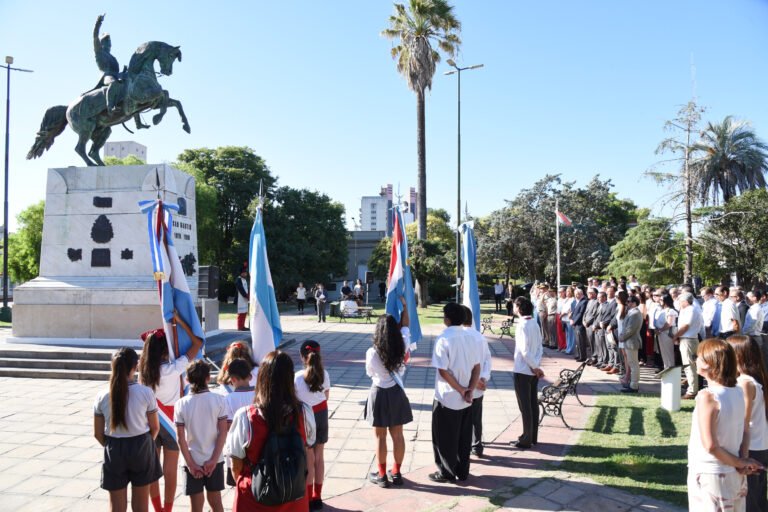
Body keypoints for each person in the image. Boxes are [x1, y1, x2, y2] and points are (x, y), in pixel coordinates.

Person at [225, 350, 315, 512]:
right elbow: (308, 452)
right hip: (293, 498)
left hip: (254, 498)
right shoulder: (304, 412)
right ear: (290, 379)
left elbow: (236, 465)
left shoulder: (246, 416)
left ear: (262, 378)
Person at [687, 338, 763, 511]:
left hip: (711, 473)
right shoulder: (738, 391)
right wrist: (742, 461)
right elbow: (745, 430)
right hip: (734, 473)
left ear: (709, 363)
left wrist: (740, 462)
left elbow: (711, 446)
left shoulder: (708, 396)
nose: (695, 360)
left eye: (698, 357)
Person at [138, 314, 203, 512]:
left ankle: (157, 508)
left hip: (150, 424)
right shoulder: (175, 367)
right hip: (171, 423)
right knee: (170, 469)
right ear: (166, 349)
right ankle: (167, 509)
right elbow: (197, 343)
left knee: (152, 469)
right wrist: (179, 321)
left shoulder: (143, 374)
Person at [94, 348, 162, 512]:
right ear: (135, 366)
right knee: (141, 506)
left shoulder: (102, 396)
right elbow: (155, 427)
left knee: (116, 507)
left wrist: (112, 444)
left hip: (114, 447)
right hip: (141, 445)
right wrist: (145, 443)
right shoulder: (146, 392)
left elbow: (97, 433)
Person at [429, 303, 482, 483]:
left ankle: (447, 471)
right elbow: (477, 367)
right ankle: (462, 470)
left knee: (444, 436)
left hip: (448, 396)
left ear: (447, 319)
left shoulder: (444, 338)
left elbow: (443, 371)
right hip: (466, 397)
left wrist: (461, 389)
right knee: (464, 437)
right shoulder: (471, 338)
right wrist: (470, 390)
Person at [365, 306, 413, 487]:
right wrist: (405, 307)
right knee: (398, 436)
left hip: (378, 392)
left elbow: (370, 373)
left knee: (380, 437)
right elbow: (406, 326)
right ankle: (397, 473)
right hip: (396, 392)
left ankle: (382, 475)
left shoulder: (372, 352)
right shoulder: (403, 345)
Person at [174, 361, 228, 512]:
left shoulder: (180, 404)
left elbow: (180, 438)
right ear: (208, 378)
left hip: (191, 459)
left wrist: (191, 464)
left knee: (196, 506)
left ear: (187, 379)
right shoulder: (219, 400)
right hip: (215, 458)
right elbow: (223, 432)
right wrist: (213, 460)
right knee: (216, 502)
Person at [727, 335, 768, 512]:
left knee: (750, 500)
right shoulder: (755, 380)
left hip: (751, 446)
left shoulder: (744, 382)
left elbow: (743, 420)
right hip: (759, 444)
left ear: (738, 355)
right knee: (757, 497)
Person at [294, 341, 331, 509]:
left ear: (303, 357)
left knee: (308, 457)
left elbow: (293, 399)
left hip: (305, 416)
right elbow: (326, 396)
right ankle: (318, 495)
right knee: (319, 456)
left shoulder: (297, 377)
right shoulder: (325, 374)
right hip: (321, 413)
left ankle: (308, 497)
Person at [511, 297, 545, 449]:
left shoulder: (522, 325)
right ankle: (532, 436)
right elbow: (539, 347)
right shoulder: (534, 323)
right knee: (532, 404)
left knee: (525, 406)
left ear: (519, 308)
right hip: (532, 369)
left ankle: (526, 439)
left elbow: (524, 350)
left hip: (523, 369)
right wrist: (536, 365)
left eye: (514, 305)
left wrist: (534, 366)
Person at [460, 305, 492, 457]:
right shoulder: (480, 337)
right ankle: (477, 445)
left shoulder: (459, 338)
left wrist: (478, 379)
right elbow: (487, 360)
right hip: (478, 386)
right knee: (476, 417)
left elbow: (463, 362)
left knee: (463, 418)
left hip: (464, 385)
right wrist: (483, 377)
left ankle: (465, 446)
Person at [221, 359, 255, 487]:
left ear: (232, 379)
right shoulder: (260, 394)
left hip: (236, 450)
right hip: (258, 445)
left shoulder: (228, 399)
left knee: (239, 484)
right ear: (250, 376)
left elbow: (227, 426)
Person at [92, 14, 123, 112]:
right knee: (114, 83)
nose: (109, 42)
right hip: (106, 76)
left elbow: (117, 72)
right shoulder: (99, 52)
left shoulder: (113, 58)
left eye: (109, 40)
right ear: (101, 43)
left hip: (116, 75)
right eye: (106, 40)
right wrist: (98, 23)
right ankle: (110, 106)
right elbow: (95, 36)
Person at [676, 292, 704, 399]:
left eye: (680, 301)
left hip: (688, 340)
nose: (679, 303)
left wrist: (675, 336)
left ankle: (692, 391)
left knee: (689, 366)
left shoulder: (691, 310)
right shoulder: (690, 309)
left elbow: (685, 326)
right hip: (689, 339)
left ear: (685, 301)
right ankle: (693, 388)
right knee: (691, 366)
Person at [618, 295, 642, 393]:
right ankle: (633, 384)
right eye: (627, 301)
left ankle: (634, 385)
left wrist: (622, 337)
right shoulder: (632, 312)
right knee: (632, 363)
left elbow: (630, 329)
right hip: (629, 341)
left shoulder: (635, 313)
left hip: (632, 341)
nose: (627, 303)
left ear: (634, 303)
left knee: (633, 364)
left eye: (629, 302)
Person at [656, 293, 677, 372]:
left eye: (662, 300)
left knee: (669, 354)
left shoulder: (671, 310)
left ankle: (671, 371)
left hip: (667, 334)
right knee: (664, 354)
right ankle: (666, 369)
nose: (660, 301)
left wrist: (660, 330)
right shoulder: (662, 310)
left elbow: (669, 323)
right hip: (661, 334)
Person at [571, 288, 589, 362]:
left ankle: (582, 356)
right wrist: (572, 319)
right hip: (576, 323)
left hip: (580, 324)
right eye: (575, 294)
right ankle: (578, 354)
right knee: (577, 341)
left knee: (581, 341)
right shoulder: (576, 301)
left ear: (581, 294)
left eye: (577, 294)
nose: (576, 295)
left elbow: (581, 313)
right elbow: (574, 312)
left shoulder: (584, 301)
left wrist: (574, 322)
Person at [236, 266, 249, 331]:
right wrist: (246, 295)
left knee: (244, 312)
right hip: (240, 299)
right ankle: (239, 326)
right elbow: (240, 288)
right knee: (241, 313)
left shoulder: (244, 280)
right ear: (241, 273)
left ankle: (243, 326)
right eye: (244, 273)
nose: (245, 274)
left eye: (246, 273)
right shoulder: (238, 279)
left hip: (245, 299)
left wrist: (248, 295)